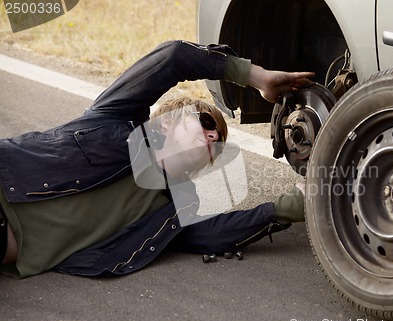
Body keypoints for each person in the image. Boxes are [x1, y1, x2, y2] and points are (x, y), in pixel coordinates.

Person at [0, 40, 313, 278]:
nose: (214, 137)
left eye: (217, 141)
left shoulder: (172, 211)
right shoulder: (114, 119)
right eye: (205, 122)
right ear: (167, 121)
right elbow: (173, 57)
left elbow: (217, 233)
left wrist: (291, 206)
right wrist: (255, 77)